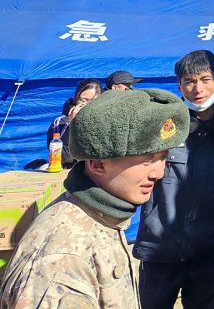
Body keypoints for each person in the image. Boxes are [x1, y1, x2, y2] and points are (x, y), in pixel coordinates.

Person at [0, 88, 189, 309]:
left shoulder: (103, 217)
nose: (158, 173)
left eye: (163, 158)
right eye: (146, 160)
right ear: (98, 164)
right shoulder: (62, 258)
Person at [133, 50, 214, 309]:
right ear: (179, 85)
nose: (197, 88)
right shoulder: (160, 127)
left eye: (205, 79)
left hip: (213, 253)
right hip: (160, 248)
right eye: (189, 81)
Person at [45, 79, 101, 165]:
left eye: (93, 101)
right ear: (75, 98)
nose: (88, 105)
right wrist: (72, 124)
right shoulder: (60, 122)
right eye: (84, 100)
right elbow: (64, 157)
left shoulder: (102, 122)